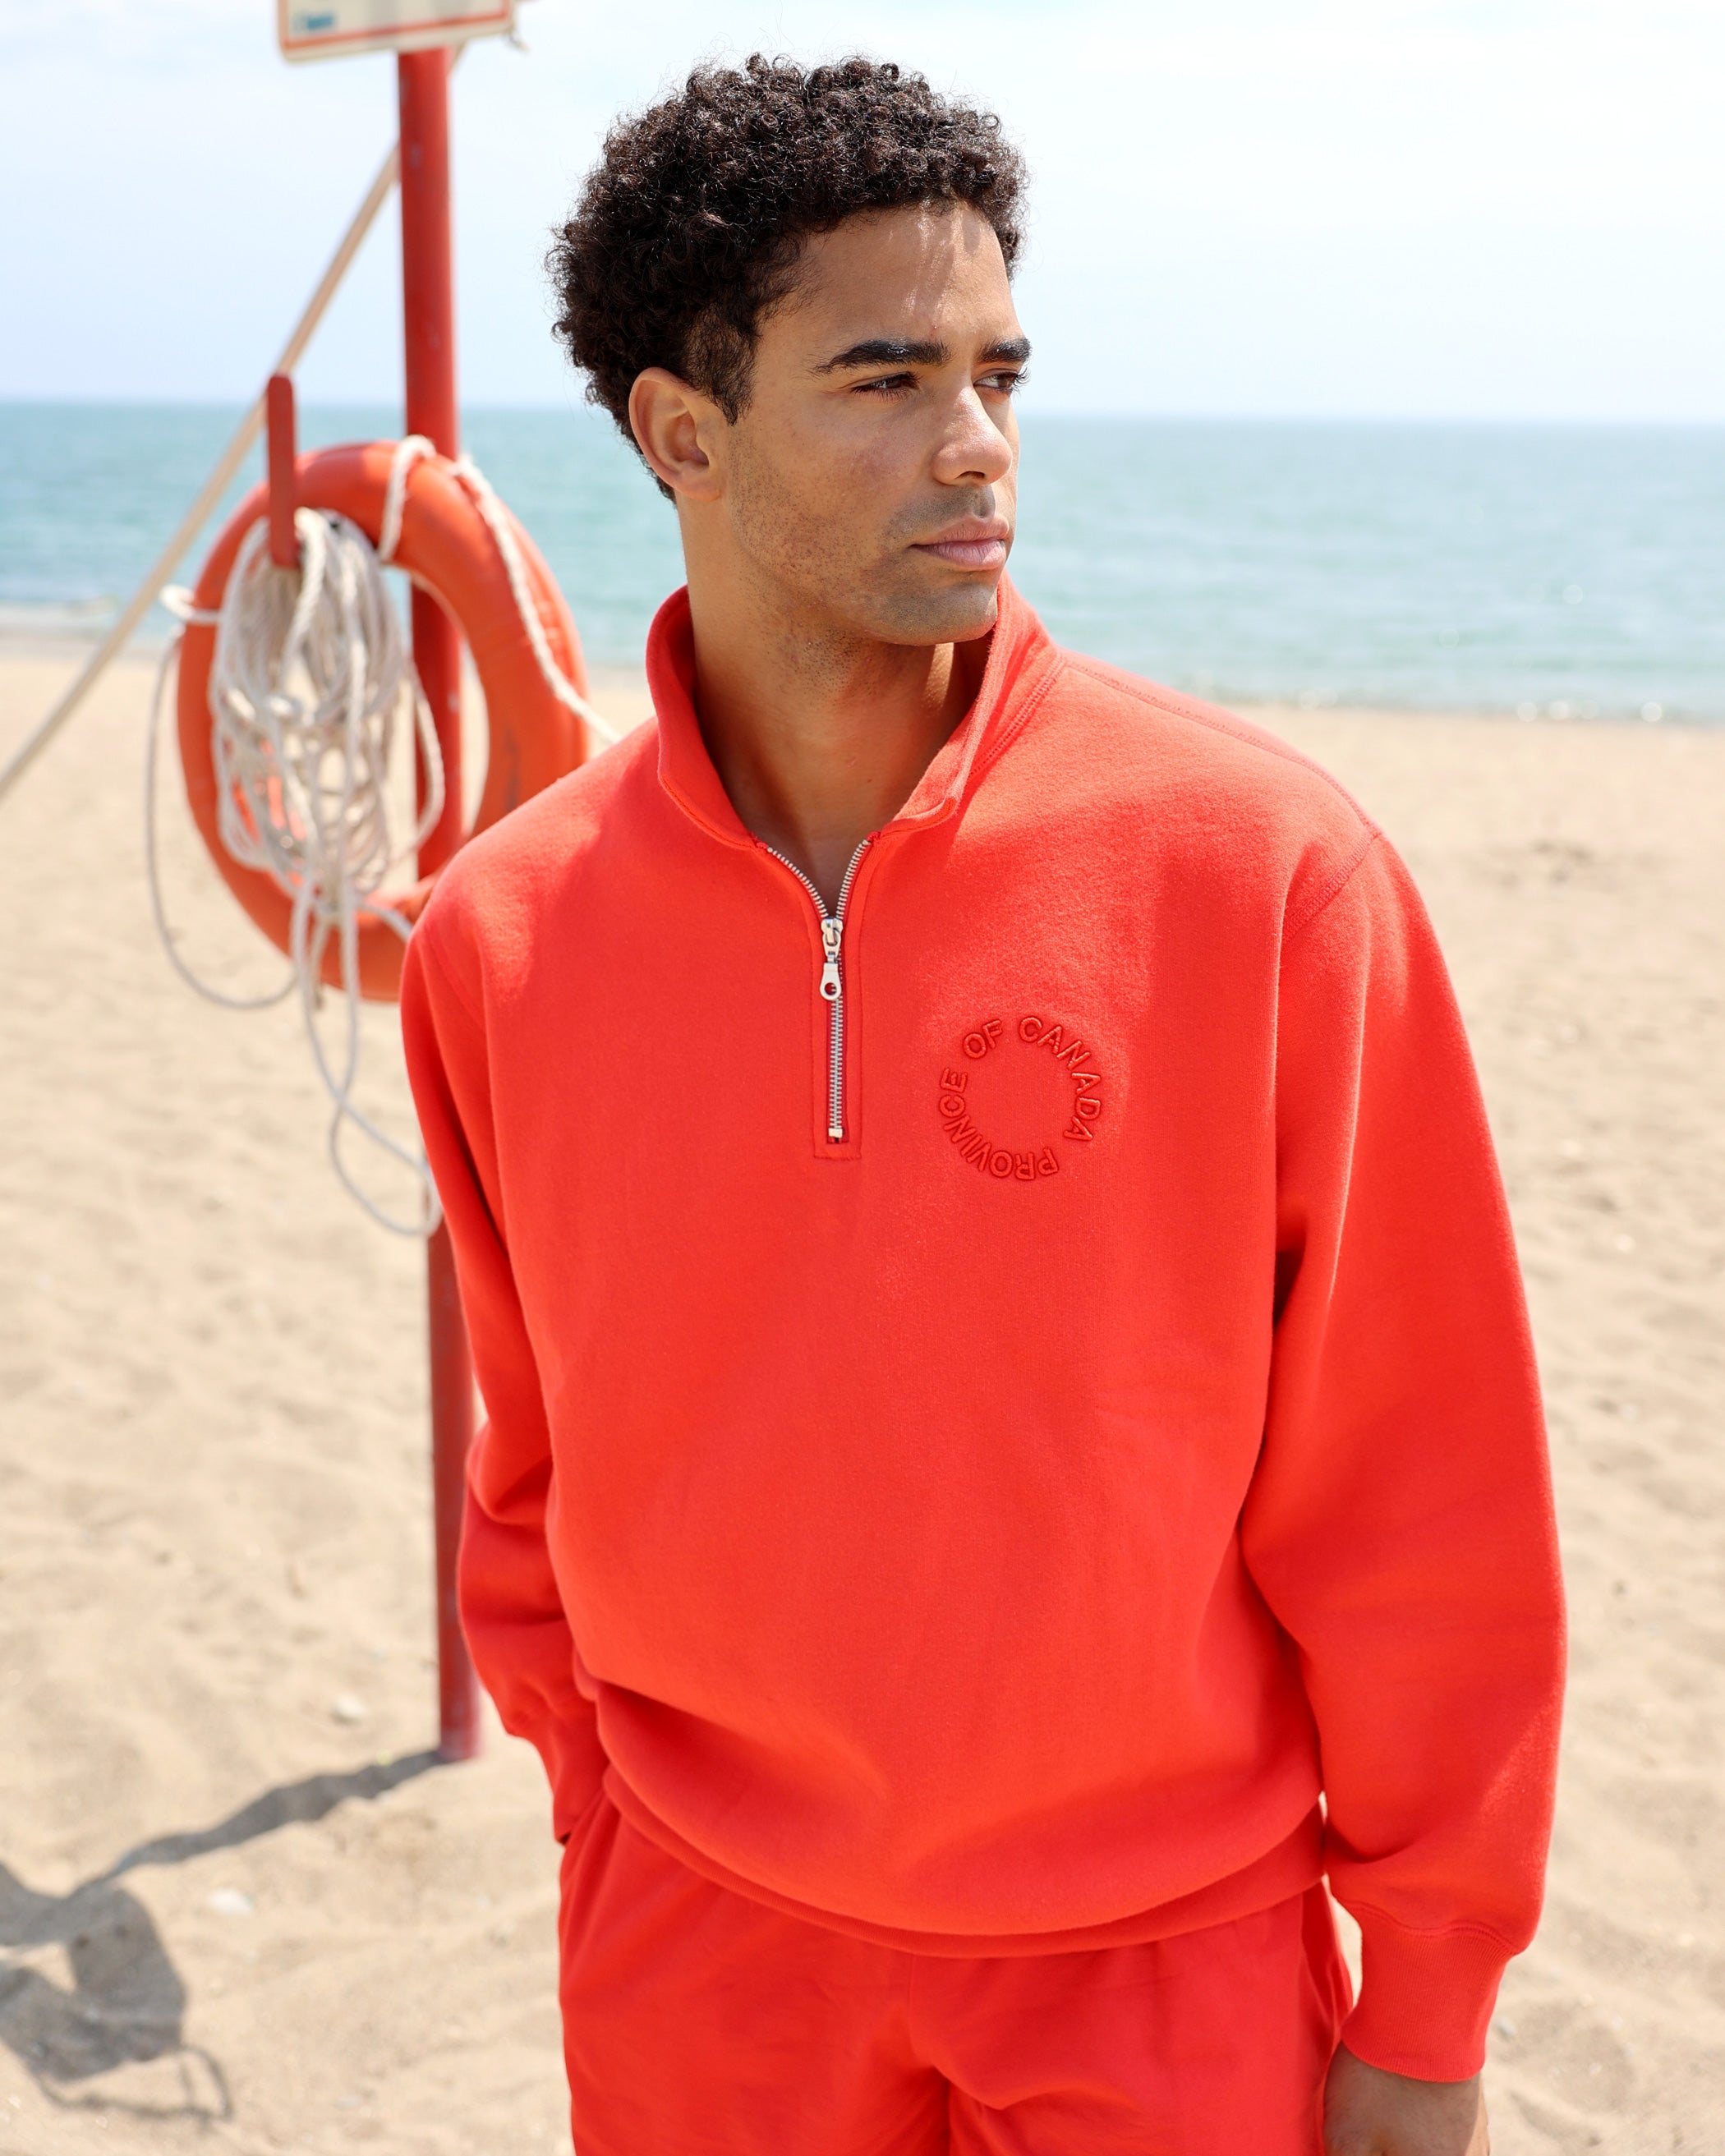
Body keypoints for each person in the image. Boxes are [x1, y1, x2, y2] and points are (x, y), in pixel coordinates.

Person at [401, 54, 1564, 2156]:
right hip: (700, 1946)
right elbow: (533, 1469)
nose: (977, 446)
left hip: (1164, 1957)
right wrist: (612, 1826)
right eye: (886, 379)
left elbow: (1423, 1490)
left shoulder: (1263, 874)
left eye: (997, 373)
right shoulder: (504, 931)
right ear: (681, 430)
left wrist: (1431, 1991)